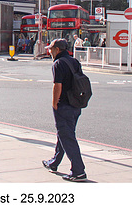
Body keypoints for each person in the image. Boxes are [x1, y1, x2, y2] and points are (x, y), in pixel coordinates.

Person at [42, 38, 87, 182]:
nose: (49, 51)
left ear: (57, 50)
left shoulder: (58, 63)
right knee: (65, 134)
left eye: (51, 49)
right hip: (76, 104)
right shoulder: (74, 61)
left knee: (67, 137)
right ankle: (54, 162)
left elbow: (57, 86)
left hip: (64, 105)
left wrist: (55, 103)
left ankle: (78, 171)